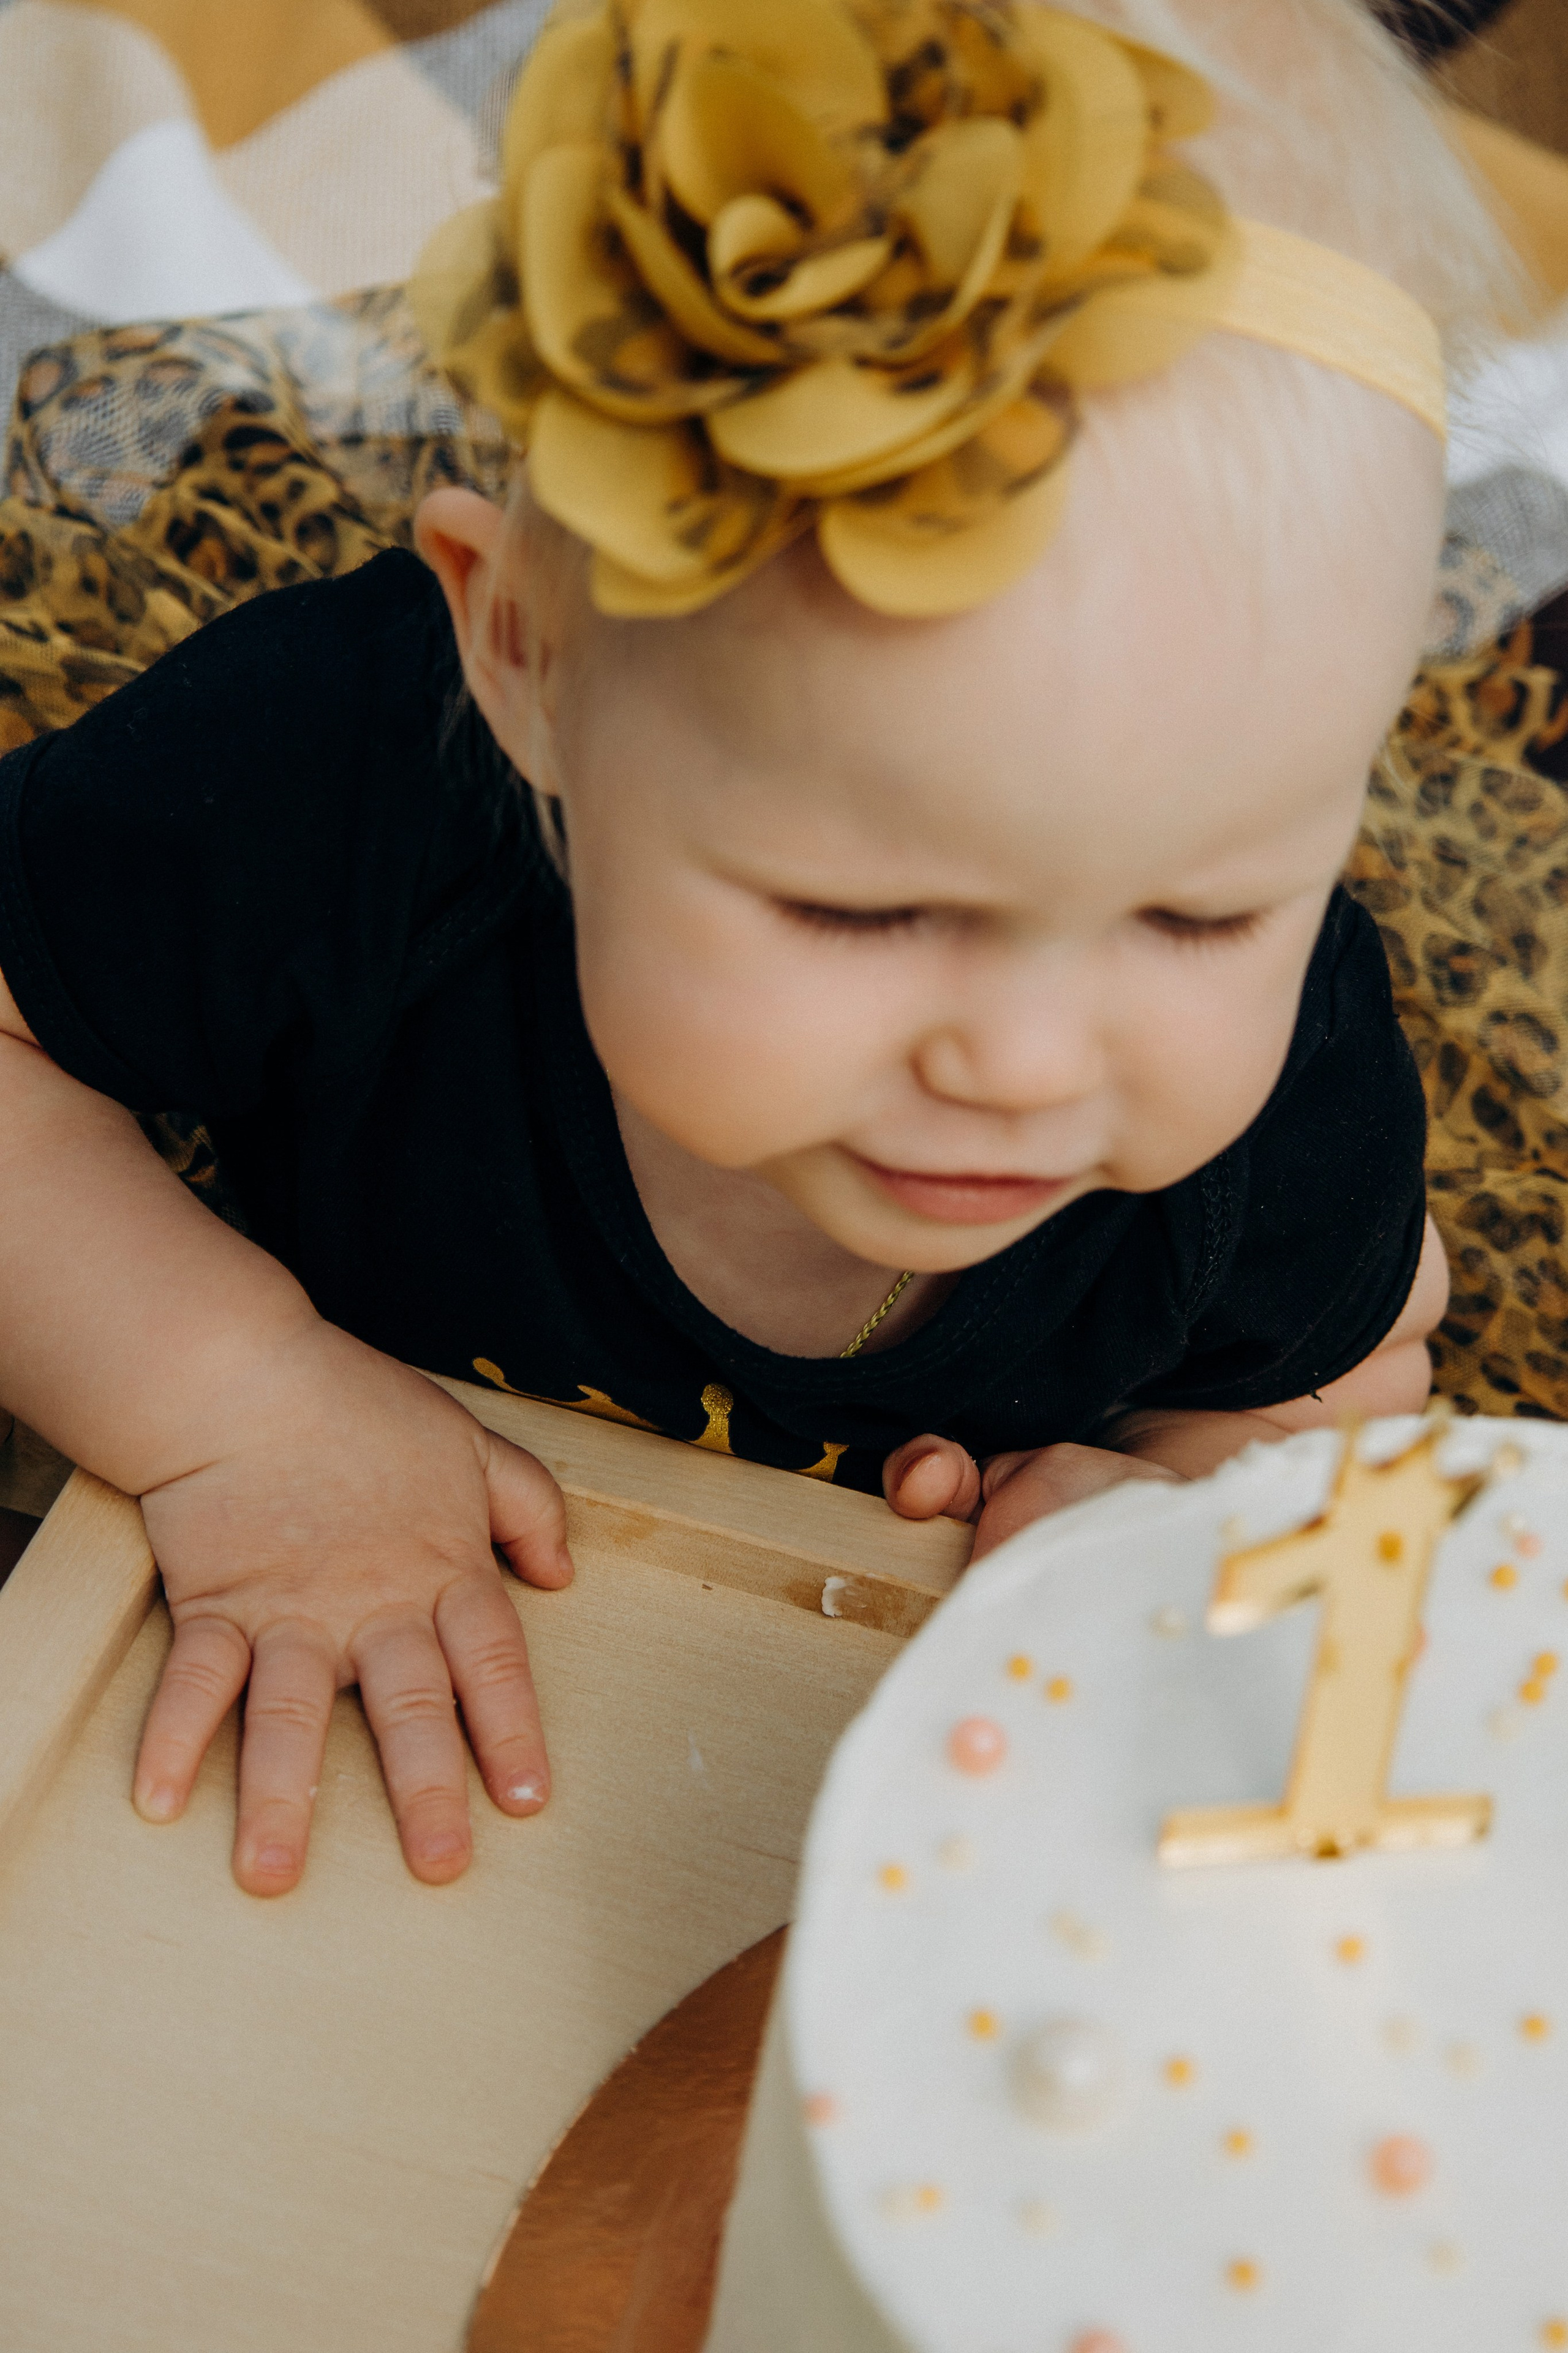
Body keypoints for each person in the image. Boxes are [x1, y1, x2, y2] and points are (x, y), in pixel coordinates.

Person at [0, 0, 1511, 1897]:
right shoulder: (337, 793)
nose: (1033, 1060)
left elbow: (1352, 1365)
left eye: (1202, 909)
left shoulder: (1284, 1109)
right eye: (865, 907)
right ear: (528, 665)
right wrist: (233, 1396)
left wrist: (1179, 1502)